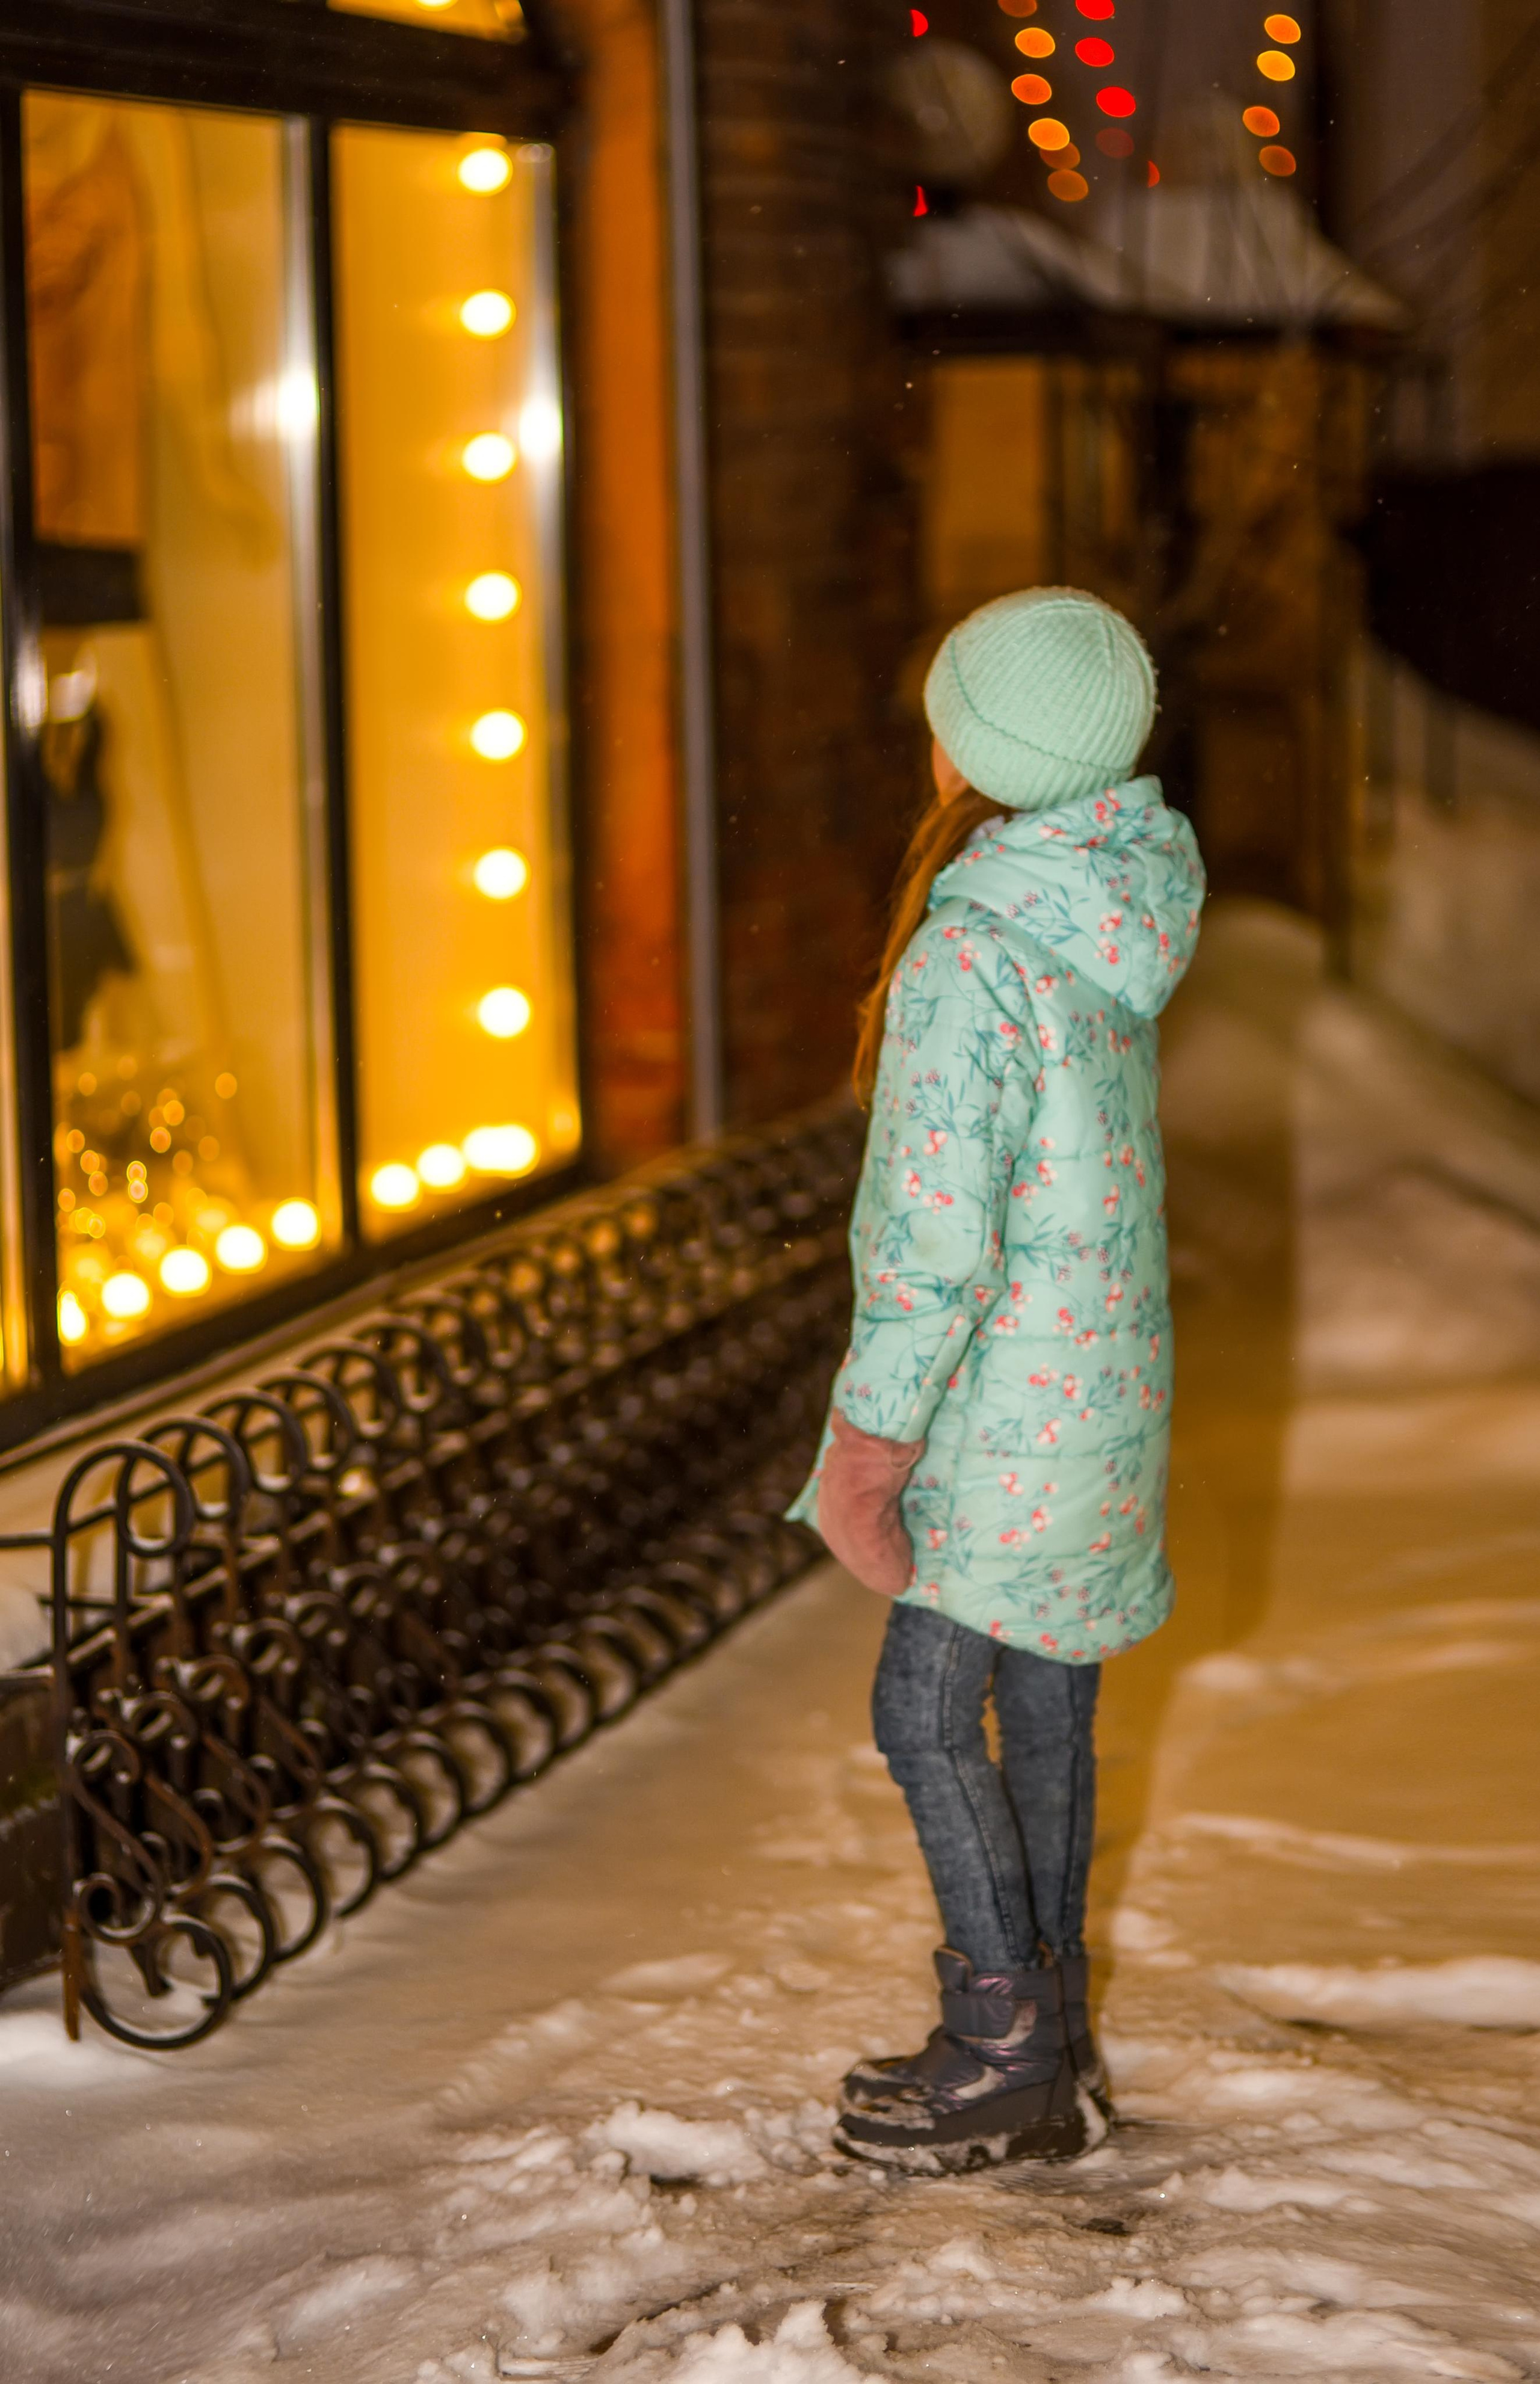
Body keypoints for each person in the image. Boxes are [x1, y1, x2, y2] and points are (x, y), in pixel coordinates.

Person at [788, 588, 1205, 2173]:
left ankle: (1002, 2037)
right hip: (1097, 1404)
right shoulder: (1106, 903)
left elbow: (934, 1241)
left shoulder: (978, 945)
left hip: (1000, 1419)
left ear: (978, 746)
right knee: (1046, 1719)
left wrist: (871, 1445)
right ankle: (1060, 2036)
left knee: (922, 1709)